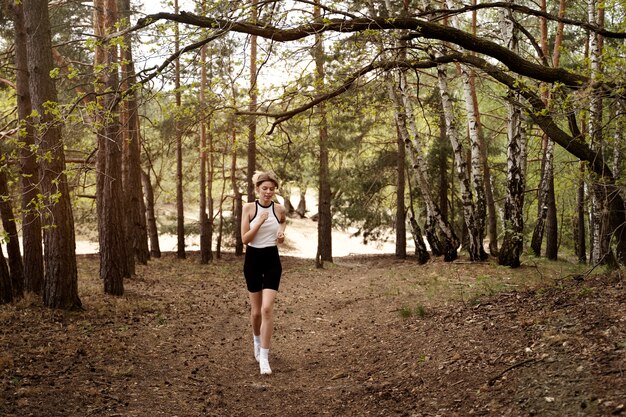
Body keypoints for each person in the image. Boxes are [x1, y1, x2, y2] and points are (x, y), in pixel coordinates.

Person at [241, 171, 286, 375]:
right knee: (256, 311)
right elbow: (245, 239)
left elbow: (283, 220)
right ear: (257, 189)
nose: (268, 192)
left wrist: (281, 232)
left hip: (271, 260)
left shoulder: (279, 208)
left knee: (267, 309)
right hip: (252, 260)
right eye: (265, 188)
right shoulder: (249, 208)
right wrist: (259, 222)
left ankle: (265, 359)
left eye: (272, 189)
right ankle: (257, 342)